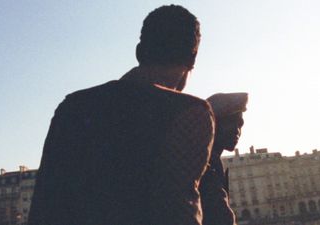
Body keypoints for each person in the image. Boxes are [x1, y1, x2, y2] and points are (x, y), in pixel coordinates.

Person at [28, 5, 215, 225]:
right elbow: (180, 212)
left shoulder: (73, 106)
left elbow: (44, 204)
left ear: (138, 51)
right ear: (192, 59)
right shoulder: (190, 112)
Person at [199, 93, 248, 225]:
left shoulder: (211, 160)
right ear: (212, 123)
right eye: (230, 121)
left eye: (240, 124)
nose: (237, 130)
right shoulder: (205, 165)